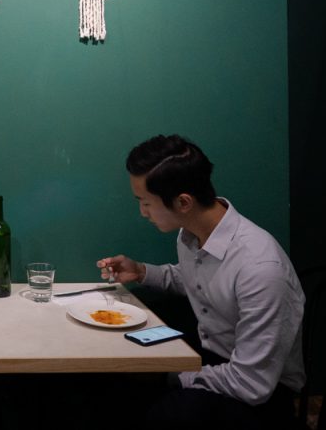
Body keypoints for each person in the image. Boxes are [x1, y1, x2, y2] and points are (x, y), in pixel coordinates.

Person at [97, 134, 304, 430]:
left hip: (261, 394)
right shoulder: (191, 234)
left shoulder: (261, 269)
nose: (142, 212)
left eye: (145, 203)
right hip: (212, 358)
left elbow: (251, 383)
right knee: (116, 376)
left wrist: (171, 375)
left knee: (161, 411)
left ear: (183, 202)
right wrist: (141, 271)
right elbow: (196, 279)